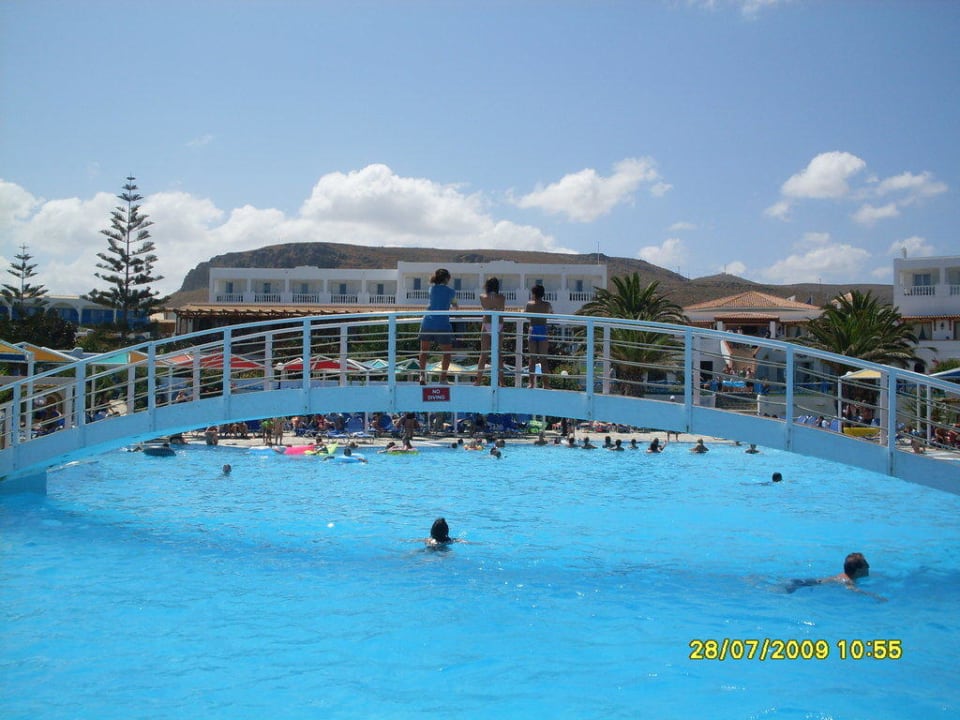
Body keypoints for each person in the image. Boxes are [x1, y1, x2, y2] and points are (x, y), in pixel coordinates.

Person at [785, 553, 885, 600]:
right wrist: (874, 596)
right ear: (859, 571)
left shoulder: (844, 576)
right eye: (866, 567)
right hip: (802, 585)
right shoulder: (848, 581)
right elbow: (853, 590)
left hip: (806, 582)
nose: (868, 568)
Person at [418, 268, 458, 385]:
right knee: (447, 353)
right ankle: (443, 379)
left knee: (424, 351)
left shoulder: (432, 289)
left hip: (428, 322)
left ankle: (422, 376)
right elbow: (455, 306)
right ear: (446, 279)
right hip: (442, 324)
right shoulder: (451, 291)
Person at [474, 277, 506, 386]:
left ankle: (478, 381)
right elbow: (502, 309)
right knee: (498, 354)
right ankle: (502, 382)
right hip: (499, 325)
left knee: (483, 354)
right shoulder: (502, 298)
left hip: (487, 324)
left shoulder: (482, 297)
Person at [525, 284, 553, 388]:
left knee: (532, 359)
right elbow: (551, 313)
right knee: (543, 360)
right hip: (542, 330)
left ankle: (531, 383)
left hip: (533, 330)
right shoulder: (547, 304)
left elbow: (527, 317)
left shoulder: (529, 304)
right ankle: (546, 384)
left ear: (533, 294)